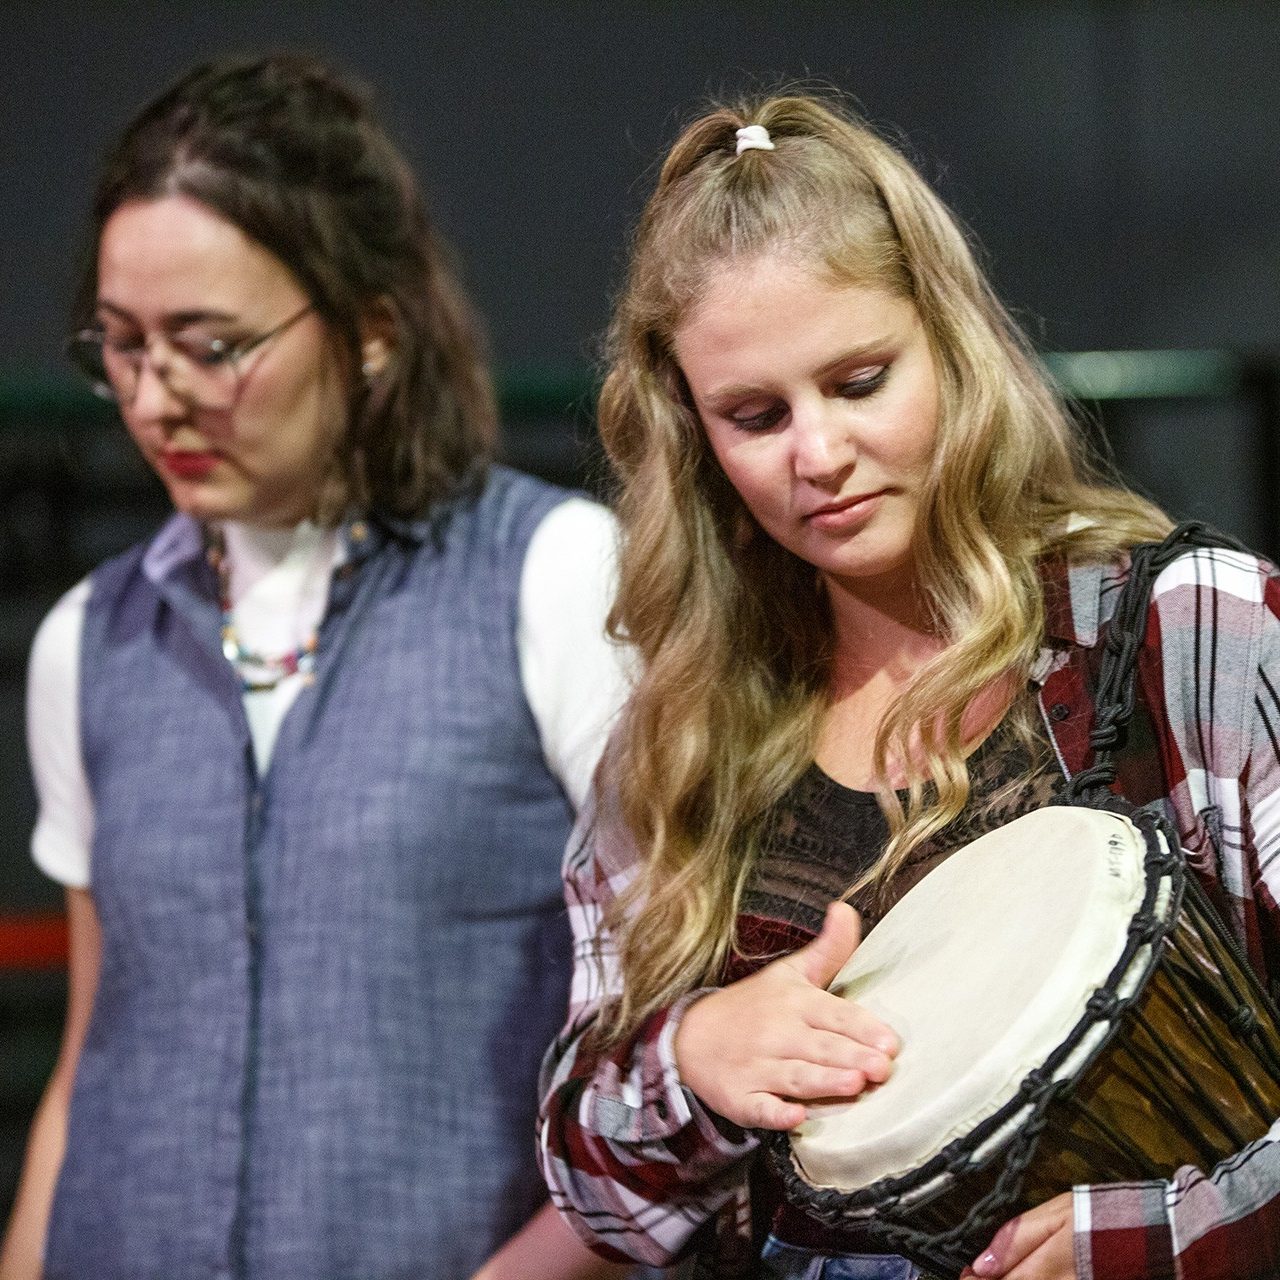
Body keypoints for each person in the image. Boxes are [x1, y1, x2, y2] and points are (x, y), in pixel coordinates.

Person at [536, 94, 1280, 1280]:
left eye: (859, 379)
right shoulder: (685, 739)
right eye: (754, 415)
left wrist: (1156, 1240)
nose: (815, 454)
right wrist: (693, 1059)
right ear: (692, 436)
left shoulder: (1183, 630)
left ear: (949, 342)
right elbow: (596, 1198)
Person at [0, 55, 635, 1280]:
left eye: (211, 345)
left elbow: (668, 1064)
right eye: (121, 346)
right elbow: (93, 1057)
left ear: (371, 329)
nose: (156, 397)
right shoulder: (94, 634)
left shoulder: (553, 578)